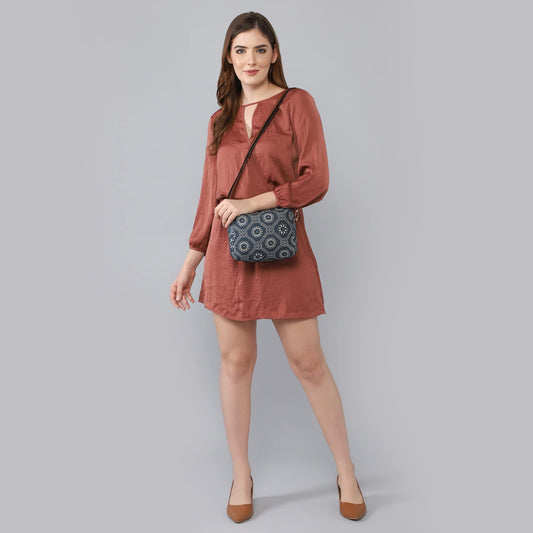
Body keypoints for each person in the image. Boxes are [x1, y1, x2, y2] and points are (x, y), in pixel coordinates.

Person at [169, 11, 366, 522]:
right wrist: (190, 261)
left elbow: (317, 179)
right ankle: (241, 474)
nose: (250, 60)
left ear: (274, 53)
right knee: (236, 363)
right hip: (226, 256)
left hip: (284, 250)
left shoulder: (297, 103)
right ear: (228, 58)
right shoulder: (219, 120)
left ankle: (346, 471)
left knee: (309, 363)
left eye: (260, 49)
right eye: (240, 51)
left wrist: (255, 202)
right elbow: (210, 198)